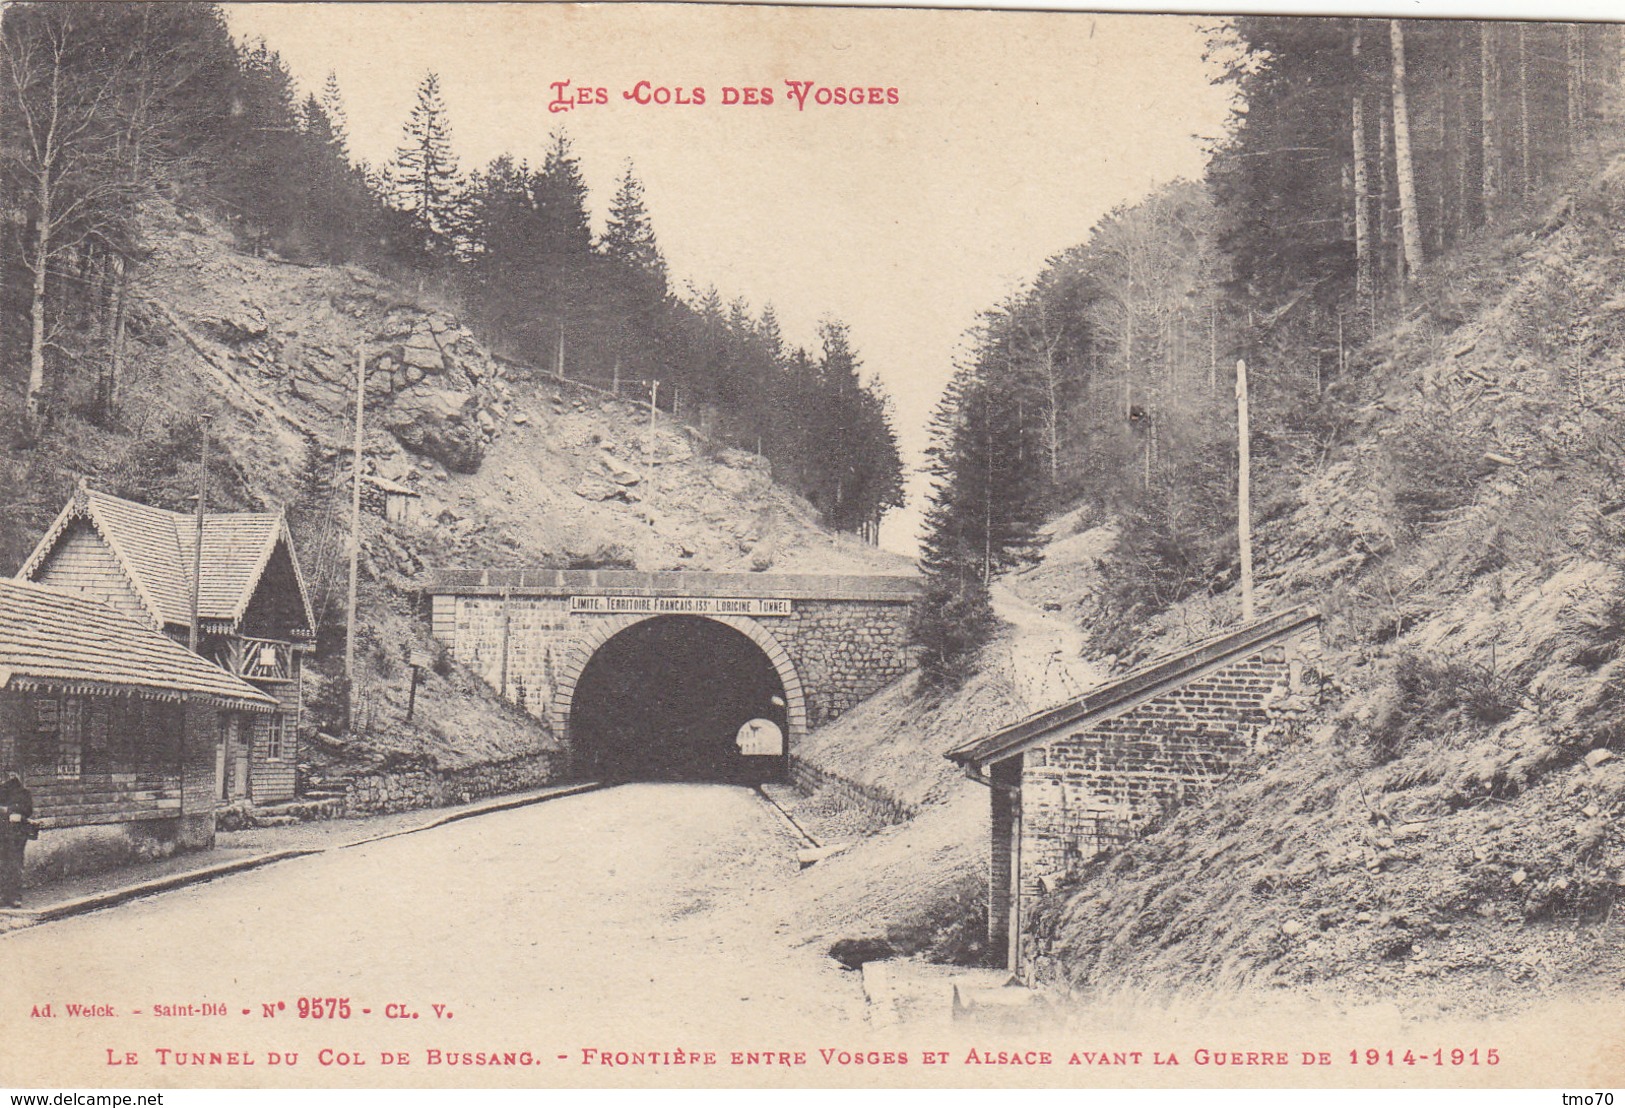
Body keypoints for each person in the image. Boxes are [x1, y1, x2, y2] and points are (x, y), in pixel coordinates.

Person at [0, 773, 35, 909]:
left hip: (16, 836)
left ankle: (14, 896)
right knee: (6, 864)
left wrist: (7, 810)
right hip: (4, 834)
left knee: (14, 864)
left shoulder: (22, 793)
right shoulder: (4, 792)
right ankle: (6, 896)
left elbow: (27, 810)